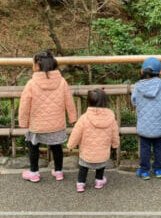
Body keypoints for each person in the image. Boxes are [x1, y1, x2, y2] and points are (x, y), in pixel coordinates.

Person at [19, 50, 77, 182]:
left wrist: (23, 121)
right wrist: (72, 118)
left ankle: (34, 173)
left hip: (37, 124)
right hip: (57, 123)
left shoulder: (31, 83)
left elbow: (24, 104)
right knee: (57, 147)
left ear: (37, 66)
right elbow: (69, 101)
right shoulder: (62, 81)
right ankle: (58, 172)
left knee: (33, 146)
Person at [131, 57, 161, 180]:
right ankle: (158, 169)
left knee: (144, 149)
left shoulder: (137, 87)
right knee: (159, 149)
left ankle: (145, 171)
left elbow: (134, 101)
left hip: (144, 125)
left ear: (142, 71)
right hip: (160, 126)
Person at [67, 89, 120, 193]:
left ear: (89, 101)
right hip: (103, 151)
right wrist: (115, 144)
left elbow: (76, 133)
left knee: (83, 167)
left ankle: (80, 184)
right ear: (105, 101)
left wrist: (70, 145)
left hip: (87, 151)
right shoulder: (111, 118)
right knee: (100, 166)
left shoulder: (84, 118)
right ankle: (99, 181)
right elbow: (115, 133)